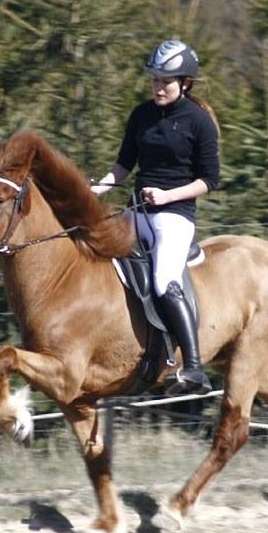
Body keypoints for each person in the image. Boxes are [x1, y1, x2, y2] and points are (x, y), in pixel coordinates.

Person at [91, 39, 220, 395]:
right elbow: (122, 167)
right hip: (138, 212)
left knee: (164, 280)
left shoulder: (198, 122)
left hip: (175, 216)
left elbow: (209, 181)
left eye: (166, 81)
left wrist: (167, 196)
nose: (158, 87)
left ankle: (193, 367)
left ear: (185, 84)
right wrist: (95, 189)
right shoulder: (141, 115)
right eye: (154, 81)